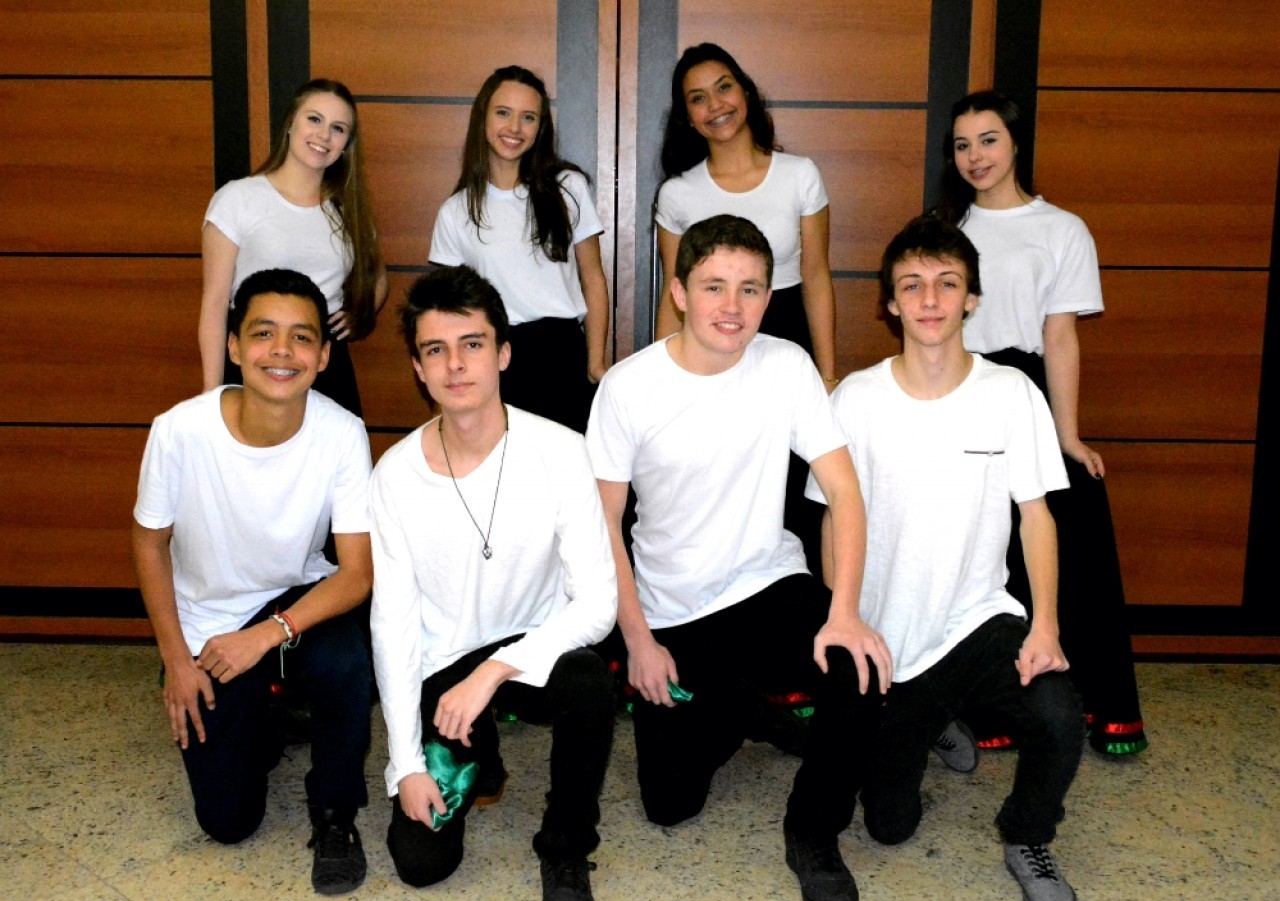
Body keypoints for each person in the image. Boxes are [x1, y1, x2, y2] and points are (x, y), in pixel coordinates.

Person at [587, 215, 890, 901]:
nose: (732, 306)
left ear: (768, 296)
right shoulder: (629, 387)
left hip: (766, 584)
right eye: (714, 286)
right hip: (672, 611)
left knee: (860, 666)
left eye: (750, 289)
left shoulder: (786, 365)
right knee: (669, 805)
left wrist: (845, 612)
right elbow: (601, 526)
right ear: (679, 293)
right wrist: (638, 643)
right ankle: (743, 710)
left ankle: (813, 832)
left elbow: (845, 492)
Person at [808, 215, 1085, 901]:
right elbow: (830, 518)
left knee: (1059, 716)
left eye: (947, 283)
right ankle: (936, 723)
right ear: (890, 303)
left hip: (977, 622)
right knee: (888, 826)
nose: (929, 299)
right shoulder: (855, 399)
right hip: (890, 642)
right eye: (912, 285)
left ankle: (1027, 834)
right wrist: (845, 615)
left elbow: (1036, 517)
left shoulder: (1011, 393)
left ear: (971, 299)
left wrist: (1045, 626)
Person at [370, 266, 617, 901]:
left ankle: (566, 850)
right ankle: (479, 751)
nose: (455, 365)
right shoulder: (394, 476)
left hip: (530, 651)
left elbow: (598, 603)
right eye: (435, 349)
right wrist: (406, 766)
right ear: (419, 368)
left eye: (472, 344)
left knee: (590, 680)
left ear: (503, 353)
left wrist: (496, 671)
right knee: (421, 863)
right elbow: (392, 626)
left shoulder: (561, 450)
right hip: (444, 667)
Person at [133, 268, 374, 895]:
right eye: (264, 334)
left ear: (323, 356)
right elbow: (150, 544)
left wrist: (267, 635)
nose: (282, 352)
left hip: (291, 604)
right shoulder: (179, 430)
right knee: (228, 823)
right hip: (208, 624)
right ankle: (264, 718)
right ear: (235, 346)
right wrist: (176, 661)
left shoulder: (342, 432)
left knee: (346, 658)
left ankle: (335, 814)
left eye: (301, 338)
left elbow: (357, 574)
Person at [936, 90, 1146, 756]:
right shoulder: (946, 231)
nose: (975, 156)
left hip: (1026, 391)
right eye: (962, 145)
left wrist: (1067, 433)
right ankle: (990, 706)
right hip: (961, 388)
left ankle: (1100, 705)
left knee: (1070, 535)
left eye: (988, 140)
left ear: (1016, 142)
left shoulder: (1062, 228)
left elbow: (1059, 337)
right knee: (980, 551)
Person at [655, 43, 836, 575]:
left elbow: (817, 276)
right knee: (716, 487)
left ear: (746, 93)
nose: (715, 104)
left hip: (785, 334)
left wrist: (827, 375)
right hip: (708, 350)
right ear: (687, 117)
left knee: (791, 490)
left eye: (724, 87)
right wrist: (662, 383)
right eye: (697, 98)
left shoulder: (800, 174)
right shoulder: (677, 193)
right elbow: (673, 294)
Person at [429, 65, 610, 433]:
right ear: (483, 118)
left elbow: (593, 277)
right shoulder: (455, 211)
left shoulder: (567, 187)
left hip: (563, 355)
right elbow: (448, 311)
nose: (514, 128)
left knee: (565, 462)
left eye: (528, 117)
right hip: (494, 358)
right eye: (503, 113)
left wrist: (594, 361)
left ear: (540, 127)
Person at [199, 78, 387, 417]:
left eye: (338, 128)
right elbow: (214, 304)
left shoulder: (349, 211)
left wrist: (358, 315)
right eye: (314, 119)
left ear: (346, 144)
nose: (324, 135)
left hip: (325, 363)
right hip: (256, 355)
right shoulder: (238, 198)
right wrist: (211, 396)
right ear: (290, 124)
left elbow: (378, 278)